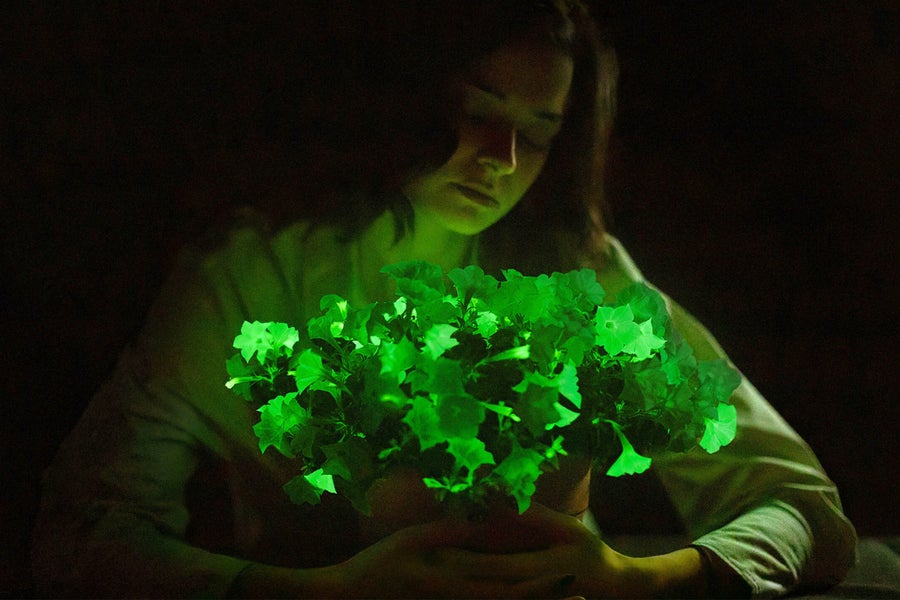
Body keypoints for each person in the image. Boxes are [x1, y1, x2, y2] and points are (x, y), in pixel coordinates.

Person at [31, 2, 856, 597]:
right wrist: (327, 594)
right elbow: (83, 533)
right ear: (400, 92)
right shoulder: (252, 281)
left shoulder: (582, 278)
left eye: (537, 130)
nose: (500, 157)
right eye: (475, 108)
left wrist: (639, 579)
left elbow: (802, 510)